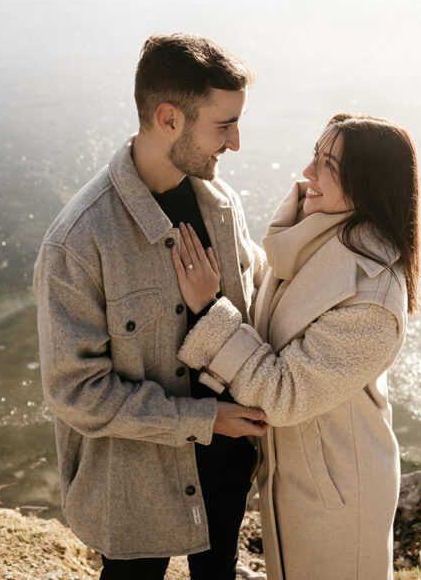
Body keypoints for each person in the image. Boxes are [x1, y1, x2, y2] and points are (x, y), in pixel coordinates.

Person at [34, 34, 268, 580]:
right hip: (135, 483)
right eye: (224, 125)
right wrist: (204, 419)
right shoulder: (77, 241)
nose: (235, 143)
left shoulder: (222, 204)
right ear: (168, 117)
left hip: (227, 461)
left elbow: (256, 304)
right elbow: (75, 391)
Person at [173, 113, 421, 580]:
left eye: (328, 164)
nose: (308, 172)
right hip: (296, 476)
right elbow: (271, 312)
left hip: (341, 492)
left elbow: (284, 392)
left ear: (367, 184)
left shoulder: (373, 298)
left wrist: (209, 308)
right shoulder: (316, 242)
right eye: (315, 154)